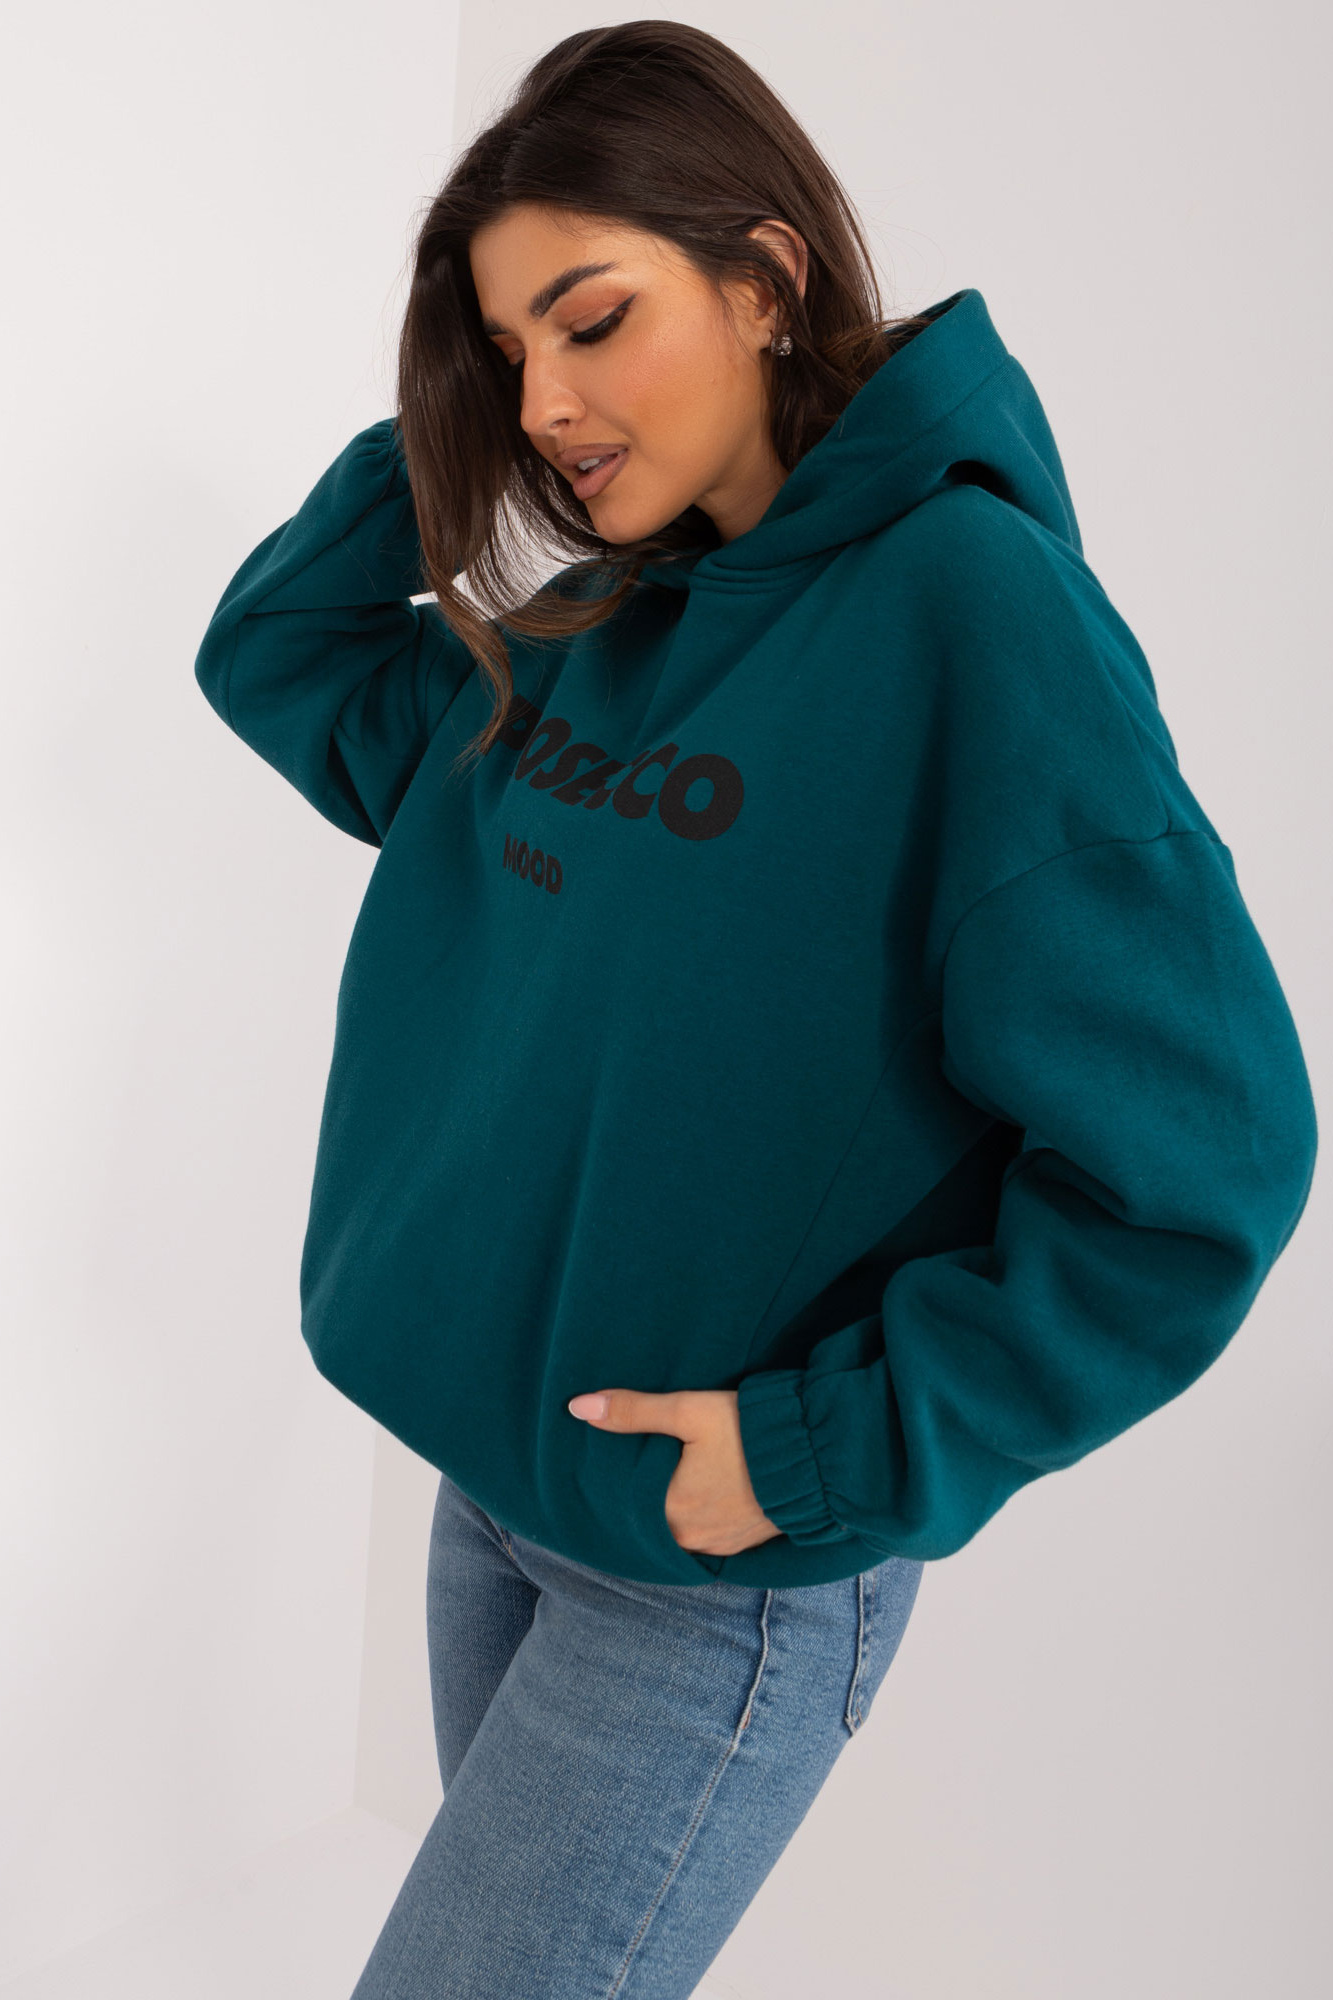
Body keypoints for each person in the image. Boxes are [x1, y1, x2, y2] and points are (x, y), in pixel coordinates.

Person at [192, 21, 1318, 1999]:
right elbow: (279, 654)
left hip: (711, 1575)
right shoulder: (600, 617)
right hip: (495, 1492)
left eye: (592, 319)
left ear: (765, 277)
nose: (547, 400)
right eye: (506, 352)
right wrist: (454, 427)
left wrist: (822, 1455)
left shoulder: (972, 610)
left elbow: (1202, 1163)